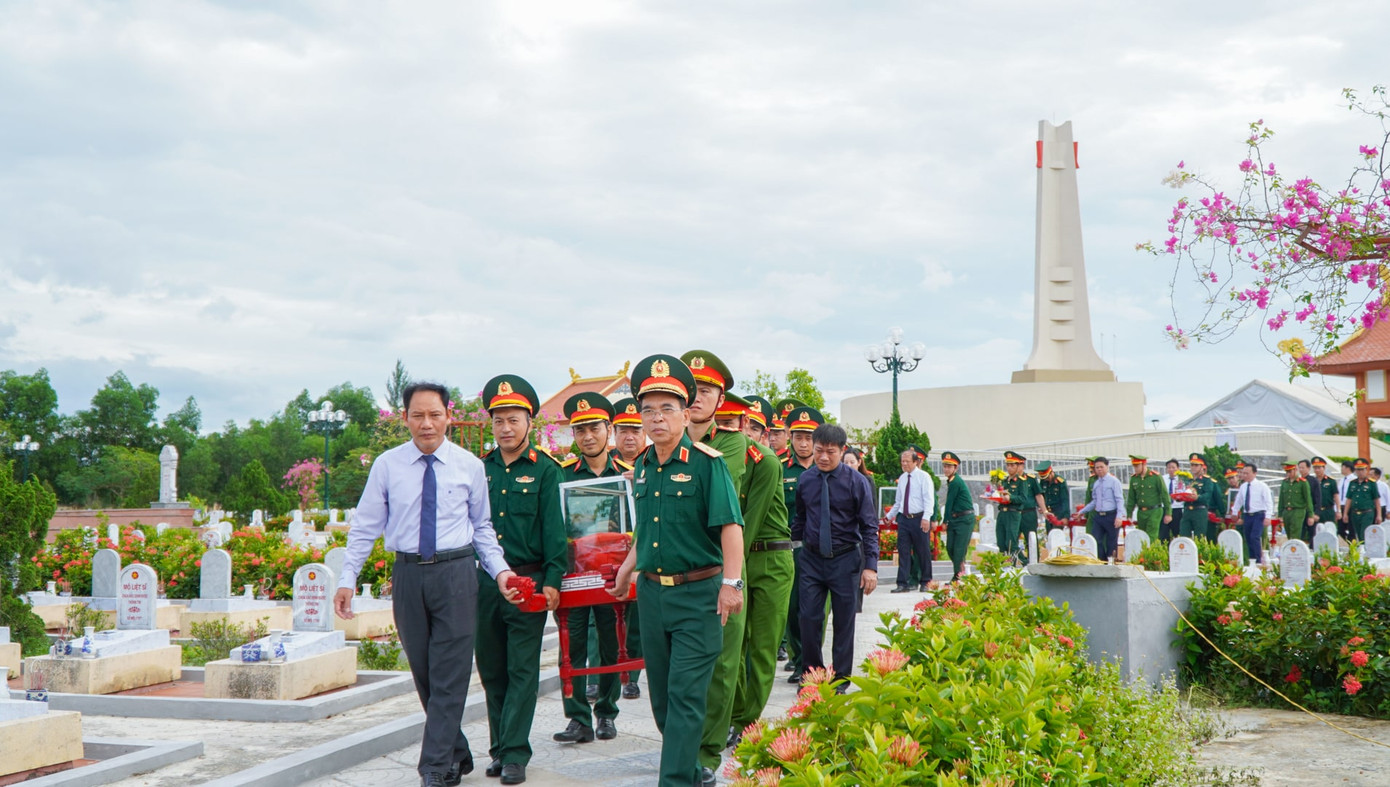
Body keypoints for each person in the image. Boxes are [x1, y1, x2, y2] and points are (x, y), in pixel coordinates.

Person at [335, 381, 520, 787]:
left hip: (456, 574)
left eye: (435, 414)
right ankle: (456, 752)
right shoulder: (387, 465)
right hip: (408, 575)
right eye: (417, 415)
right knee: (424, 672)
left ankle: (434, 767)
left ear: (448, 416)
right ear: (405, 418)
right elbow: (365, 527)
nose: (426, 423)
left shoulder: (470, 466)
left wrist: (501, 571)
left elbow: (483, 528)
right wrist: (348, 578)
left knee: (450, 673)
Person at [607, 354, 744, 787]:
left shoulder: (707, 463)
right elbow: (647, 530)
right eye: (648, 410)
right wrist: (628, 569)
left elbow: (730, 527)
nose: (657, 418)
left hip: (698, 596)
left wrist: (731, 584)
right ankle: (689, 768)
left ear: (686, 414)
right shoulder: (643, 466)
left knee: (685, 696)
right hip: (652, 596)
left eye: (667, 408)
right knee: (663, 701)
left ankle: (676, 780)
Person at [477, 374, 568, 785]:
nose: (506, 428)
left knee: (522, 670)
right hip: (484, 584)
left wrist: (553, 579)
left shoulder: (546, 471)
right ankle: (499, 747)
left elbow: (554, 529)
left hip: (528, 583)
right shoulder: (479, 469)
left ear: (529, 422)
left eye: (514, 420)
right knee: (492, 668)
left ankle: (515, 753)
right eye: (499, 421)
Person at [550, 393, 632, 745]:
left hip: (613, 574)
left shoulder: (627, 475)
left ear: (608, 430)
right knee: (572, 644)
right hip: (574, 574)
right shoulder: (561, 475)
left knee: (613, 642)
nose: (587, 436)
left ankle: (607, 713)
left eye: (594, 428)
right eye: (580, 430)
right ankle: (578, 718)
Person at [790, 421, 879, 688]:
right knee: (808, 620)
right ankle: (812, 677)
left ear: (842, 451)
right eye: (819, 451)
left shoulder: (857, 482)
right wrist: (793, 551)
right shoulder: (806, 480)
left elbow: (869, 525)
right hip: (812, 560)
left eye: (830, 451)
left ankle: (840, 680)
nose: (823, 457)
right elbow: (800, 519)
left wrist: (871, 566)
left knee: (843, 623)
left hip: (845, 560)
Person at [609, 396, 646, 700]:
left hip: (644, 552)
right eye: (623, 430)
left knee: (636, 619)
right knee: (605, 617)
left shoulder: (654, 462)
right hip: (609, 552)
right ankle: (605, 674)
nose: (629, 436)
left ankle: (631, 674)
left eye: (635, 429)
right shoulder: (607, 467)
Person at [780, 404, 820, 681]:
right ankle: (799, 660)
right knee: (794, 608)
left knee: (817, 609)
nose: (803, 443)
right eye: (798, 437)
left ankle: (813, 662)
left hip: (823, 550)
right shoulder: (780, 469)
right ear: (790, 437)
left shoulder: (828, 468)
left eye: (809, 438)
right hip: (792, 549)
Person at [886, 448, 933, 592]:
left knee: (922, 551)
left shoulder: (924, 477)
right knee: (903, 551)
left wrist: (926, 518)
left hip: (919, 518)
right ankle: (902, 583)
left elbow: (929, 500)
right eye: (902, 461)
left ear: (915, 462)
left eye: (907, 461)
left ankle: (926, 581)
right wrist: (889, 516)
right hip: (904, 519)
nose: (904, 464)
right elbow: (899, 501)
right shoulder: (902, 478)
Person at [998, 451, 1045, 564]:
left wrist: (1045, 510)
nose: (1010, 468)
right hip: (1013, 512)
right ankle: (1013, 564)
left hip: (1028, 513)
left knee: (1030, 540)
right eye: (1008, 465)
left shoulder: (1029, 479)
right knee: (1011, 541)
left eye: (1014, 465)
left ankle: (1033, 563)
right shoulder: (1006, 481)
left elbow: (1038, 495)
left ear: (1021, 465)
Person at [937, 451, 974, 581]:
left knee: (959, 549)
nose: (946, 469)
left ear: (955, 468)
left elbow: (949, 503)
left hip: (964, 519)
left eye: (949, 467)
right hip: (955, 519)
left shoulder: (956, 482)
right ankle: (960, 571)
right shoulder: (952, 481)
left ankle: (958, 576)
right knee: (950, 547)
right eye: (945, 466)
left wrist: (945, 521)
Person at [1077, 456, 1122, 560]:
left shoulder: (1114, 481)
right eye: (1097, 467)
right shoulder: (1096, 483)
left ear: (1107, 467)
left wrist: (1119, 516)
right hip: (1099, 516)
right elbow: (1094, 501)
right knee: (1095, 540)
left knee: (1111, 541)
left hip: (1111, 515)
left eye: (1101, 467)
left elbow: (1119, 499)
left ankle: (1111, 562)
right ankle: (1102, 561)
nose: (1099, 469)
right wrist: (1082, 511)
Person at [1231, 462, 1274, 563]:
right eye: (1244, 473)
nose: (1245, 475)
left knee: (1255, 537)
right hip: (1247, 515)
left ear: (1254, 473)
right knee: (1248, 538)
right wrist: (1234, 511)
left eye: (1247, 473)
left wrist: (1268, 516)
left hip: (1258, 515)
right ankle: (1252, 560)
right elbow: (1239, 500)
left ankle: (1258, 560)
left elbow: (1269, 502)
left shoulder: (1262, 486)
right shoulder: (1243, 486)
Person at [1125, 456, 1171, 543]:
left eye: (1137, 466)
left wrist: (1168, 513)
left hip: (1154, 510)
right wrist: (1129, 514)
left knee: (1151, 535)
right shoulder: (1134, 478)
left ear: (1144, 464)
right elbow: (1131, 498)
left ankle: (1149, 555)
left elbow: (1165, 495)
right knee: (1142, 535)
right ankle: (1143, 554)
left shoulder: (1155, 477)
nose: (1135, 468)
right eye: (1134, 466)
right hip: (1141, 512)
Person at [1181, 454, 1225, 541]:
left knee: (1199, 538)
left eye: (1196, 465)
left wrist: (1197, 497)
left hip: (1199, 511)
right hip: (1187, 510)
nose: (1193, 467)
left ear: (1202, 467)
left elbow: (1208, 495)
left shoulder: (1207, 480)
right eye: (1192, 465)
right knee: (1184, 536)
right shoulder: (1189, 481)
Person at [1343, 458, 1382, 541]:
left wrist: (1379, 515)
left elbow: (1376, 500)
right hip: (1355, 513)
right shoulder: (1352, 483)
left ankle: (1365, 551)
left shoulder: (1371, 483)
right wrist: (1345, 513)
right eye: (1358, 470)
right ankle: (1361, 550)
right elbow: (1349, 499)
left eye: (1362, 469)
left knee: (1364, 534)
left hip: (1367, 513)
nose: (1360, 472)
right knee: (1357, 534)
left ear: (1366, 470)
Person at [1276, 461, 1313, 543]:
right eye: (1287, 472)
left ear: (1295, 470)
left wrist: (1310, 515)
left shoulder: (1302, 482)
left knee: (1295, 533)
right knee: (1289, 533)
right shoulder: (1285, 482)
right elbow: (1281, 499)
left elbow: (1308, 499)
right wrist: (1280, 514)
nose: (1288, 474)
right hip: (1286, 511)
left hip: (1298, 510)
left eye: (1290, 471)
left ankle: (1294, 550)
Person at [1309, 457, 1340, 537]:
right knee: (1316, 533)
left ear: (1324, 468)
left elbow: (1336, 496)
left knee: (1330, 531)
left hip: (1328, 510)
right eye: (1315, 468)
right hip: (1316, 511)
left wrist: (1338, 510)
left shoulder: (1330, 481)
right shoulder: (1311, 481)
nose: (1317, 470)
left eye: (1319, 468)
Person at [1037, 462, 1068, 534]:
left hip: (1058, 513)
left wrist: (1066, 516)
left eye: (1047, 477)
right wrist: (1041, 507)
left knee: (1056, 535)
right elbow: (1040, 495)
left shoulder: (1060, 482)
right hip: (1048, 513)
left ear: (1051, 472)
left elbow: (1065, 500)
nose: (1046, 479)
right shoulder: (1043, 482)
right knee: (1049, 534)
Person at [1162, 459, 1184, 542]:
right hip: (1165, 509)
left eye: (1173, 467)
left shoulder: (1182, 479)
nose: (1171, 469)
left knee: (1177, 533)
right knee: (1164, 534)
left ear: (1178, 468)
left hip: (1177, 509)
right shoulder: (1162, 479)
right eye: (1169, 467)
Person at [1338, 460, 1357, 542]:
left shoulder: (1354, 480)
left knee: (1351, 529)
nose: (1341, 469)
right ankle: (1345, 544)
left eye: (1342, 467)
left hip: (1350, 507)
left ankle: (1352, 547)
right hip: (1341, 506)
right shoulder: (1341, 480)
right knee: (1340, 530)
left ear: (1348, 468)